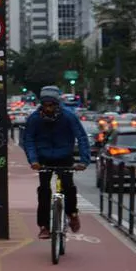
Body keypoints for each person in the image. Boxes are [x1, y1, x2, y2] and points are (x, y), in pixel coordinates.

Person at [23, 85, 90, 239]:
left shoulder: (68, 117)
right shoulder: (34, 119)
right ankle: (44, 226)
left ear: (57, 104)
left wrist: (84, 161)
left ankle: (72, 213)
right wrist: (33, 160)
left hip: (64, 156)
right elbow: (29, 140)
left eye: (51, 105)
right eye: (45, 105)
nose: (48, 109)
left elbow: (81, 137)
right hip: (43, 158)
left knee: (68, 186)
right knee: (44, 190)